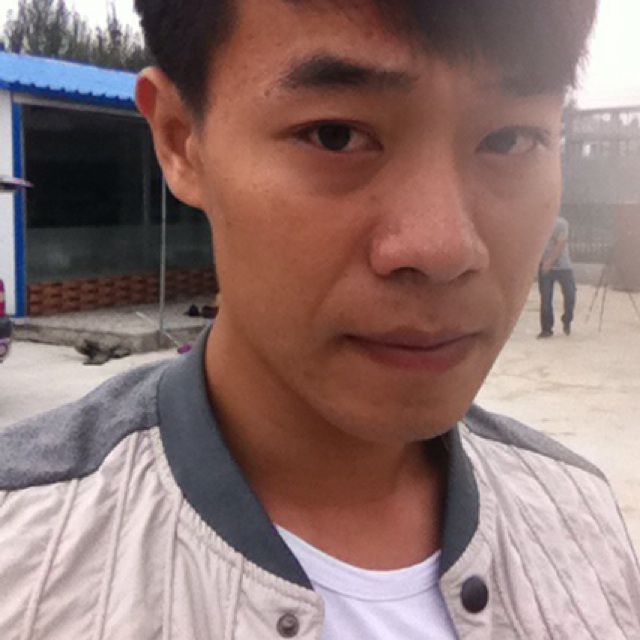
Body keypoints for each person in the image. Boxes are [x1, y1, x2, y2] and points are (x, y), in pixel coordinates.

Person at [1, 1, 639, 638]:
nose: (443, 249)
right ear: (180, 140)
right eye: (335, 135)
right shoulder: (25, 557)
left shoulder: (582, 528)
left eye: (510, 139)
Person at [538, 216, 577, 338]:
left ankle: (567, 319)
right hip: (544, 266)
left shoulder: (561, 223)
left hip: (563, 266)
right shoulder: (537, 223)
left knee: (570, 295)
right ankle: (546, 329)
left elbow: (561, 244)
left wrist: (549, 262)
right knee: (546, 299)